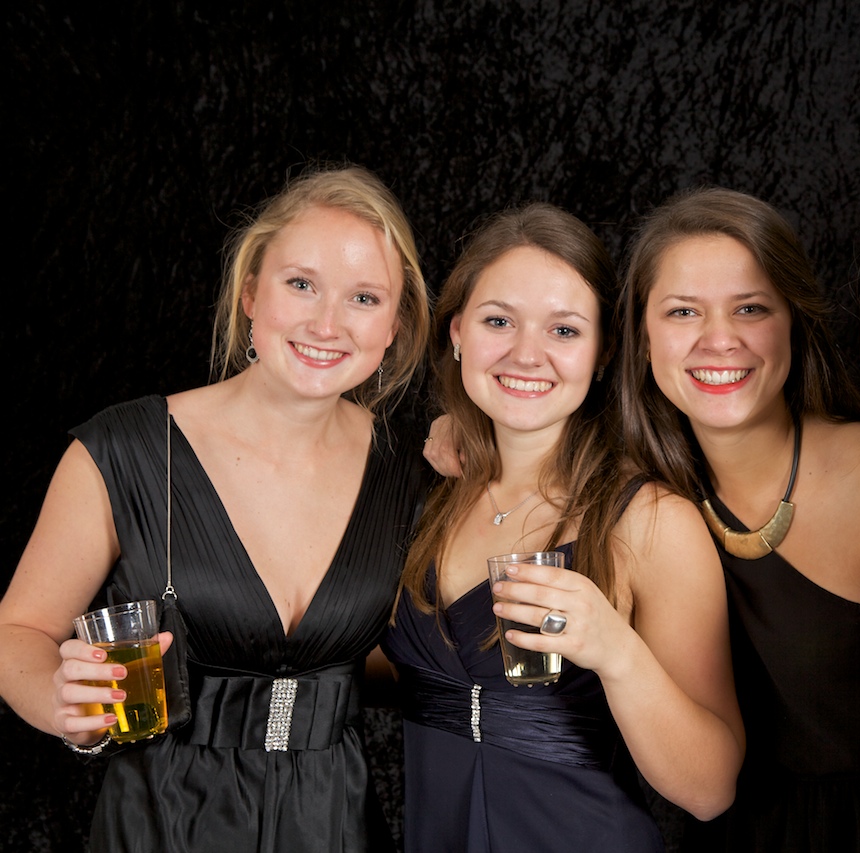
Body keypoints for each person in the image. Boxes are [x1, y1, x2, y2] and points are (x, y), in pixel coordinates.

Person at [0, 165, 431, 852]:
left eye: (363, 297)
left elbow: (406, 656)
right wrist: (59, 700)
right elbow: (18, 629)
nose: (327, 323)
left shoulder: (413, 471)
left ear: (394, 325)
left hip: (334, 824)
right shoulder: (122, 451)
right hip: (160, 824)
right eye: (301, 284)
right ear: (250, 292)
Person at [380, 202, 745, 853]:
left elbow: (711, 789)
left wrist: (615, 650)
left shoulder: (650, 521)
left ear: (602, 352)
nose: (527, 354)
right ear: (458, 331)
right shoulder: (430, 496)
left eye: (564, 330)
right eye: (499, 321)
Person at [616, 188, 860, 852]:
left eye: (751, 308)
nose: (719, 340)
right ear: (642, 339)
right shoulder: (635, 494)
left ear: (794, 322)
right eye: (682, 311)